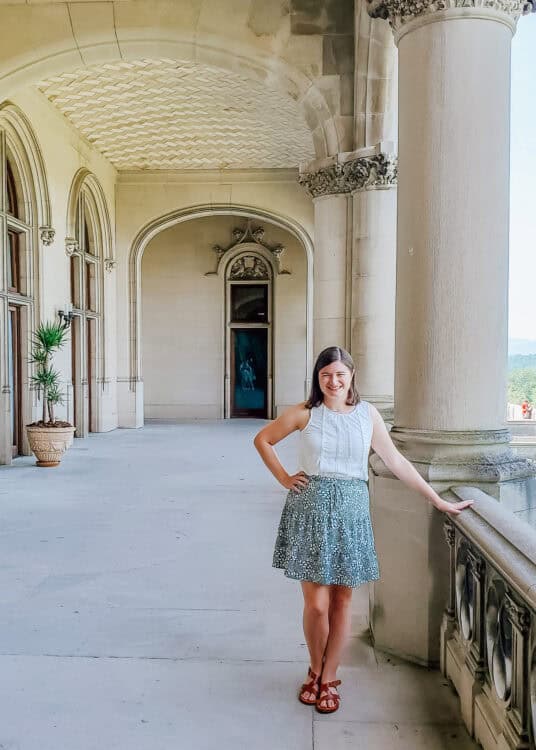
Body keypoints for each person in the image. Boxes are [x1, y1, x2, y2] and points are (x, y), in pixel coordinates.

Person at [253, 346, 473, 714]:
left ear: (352, 375)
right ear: (317, 378)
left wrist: (437, 499)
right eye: (326, 375)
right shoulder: (305, 413)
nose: (333, 381)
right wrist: (284, 478)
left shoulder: (367, 415)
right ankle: (315, 665)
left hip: (352, 511)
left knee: (342, 601)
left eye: (340, 374)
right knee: (316, 604)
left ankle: (328, 677)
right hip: (311, 509)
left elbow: (396, 461)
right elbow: (263, 439)